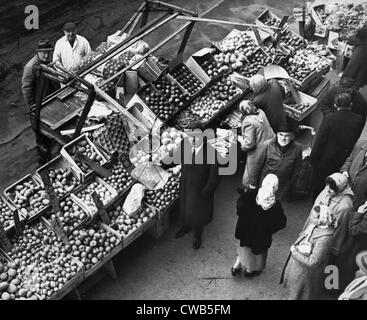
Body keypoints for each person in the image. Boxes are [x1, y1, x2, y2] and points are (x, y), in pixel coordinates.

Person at [310, 92, 364, 201]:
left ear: (335, 105)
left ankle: (317, 201)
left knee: (320, 183)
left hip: (326, 159)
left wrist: (313, 159)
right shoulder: (359, 119)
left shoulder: (330, 118)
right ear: (351, 104)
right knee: (336, 183)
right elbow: (355, 139)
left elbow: (320, 141)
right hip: (343, 159)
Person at [175, 122, 220, 250]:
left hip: (201, 191)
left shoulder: (211, 152)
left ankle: (197, 234)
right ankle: (185, 226)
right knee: (185, 208)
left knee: (198, 214)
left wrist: (205, 192)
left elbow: (214, 178)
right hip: (186, 185)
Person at [232, 174, 286, 277]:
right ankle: (249, 271)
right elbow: (281, 223)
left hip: (244, 233)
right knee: (255, 256)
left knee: (242, 250)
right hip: (260, 239)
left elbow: (239, 209)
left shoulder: (249, 195)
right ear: (276, 188)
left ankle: (236, 266)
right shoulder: (275, 206)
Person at [281, 204, 338, 300]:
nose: (311, 218)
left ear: (323, 219)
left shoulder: (325, 238)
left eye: (314, 217)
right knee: (294, 291)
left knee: (298, 294)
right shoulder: (316, 225)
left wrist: (294, 252)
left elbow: (312, 262)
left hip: (305, 274)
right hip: (299, 269)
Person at [21, 39, 60, 163]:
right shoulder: (30, 67)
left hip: (52, 103)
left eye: (49, 52)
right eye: (44, 53)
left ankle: (57, 155)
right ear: (38, 52)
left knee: (54, 131)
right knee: (42, 137)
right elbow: (26, 89)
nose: (47, 55)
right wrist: (33, 107)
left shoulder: (48, 62)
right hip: (39, 107)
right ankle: (45, 160)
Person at [304, 173, 354, 259]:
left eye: (332, 188)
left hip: (321, 240)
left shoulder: (344, 206)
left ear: (341, 187)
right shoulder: (327, 190)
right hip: (311, 230)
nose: (328, 189)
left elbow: (338, 229)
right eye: (327, 185)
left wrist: (332, 249)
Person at [248, 121, 302, 201]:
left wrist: (290, 182)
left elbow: (297, 166)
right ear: (277, 134)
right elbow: (257, 165)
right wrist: (253, 183)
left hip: (282, 185)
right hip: (265, 182)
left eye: (287, 136)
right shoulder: (267, 145)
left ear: (292, 137)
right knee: (262, 201)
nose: (283, 138)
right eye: (281, 134)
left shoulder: (297, 148)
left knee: (275, 202)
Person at [237, 100, 275, 188]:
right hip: (271, 142)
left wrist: (240, 139)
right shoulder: (261, 112)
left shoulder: (248, 122)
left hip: (259, 150)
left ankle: (250, 190)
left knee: (251, 175)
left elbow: (249, 144)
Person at [334, 191, 367, 291]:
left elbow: (354, 230)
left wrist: (359, 213)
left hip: (355, 245)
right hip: (358, 245)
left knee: (345, 267)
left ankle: (335, 289)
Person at [340, 139, 367, 208]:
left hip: (359, 201)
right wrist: (344, 170)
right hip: (344, 192)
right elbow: (350, 159)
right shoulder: (360, 143)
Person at [342, 24, 367, 89]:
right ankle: (353, 92)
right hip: (364, 66)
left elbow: (351, 40)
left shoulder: (363, 31)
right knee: (359, 80)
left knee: (347, 81)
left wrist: (350, 35)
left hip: (358, 58)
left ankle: (343, 94)